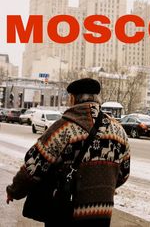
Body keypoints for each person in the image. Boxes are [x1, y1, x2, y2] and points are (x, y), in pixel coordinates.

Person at [6, 78, 130, 226]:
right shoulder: (118, 131)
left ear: (72, 98)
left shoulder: (63, 128)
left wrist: (15, 190)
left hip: (64, 211)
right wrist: (104, 186)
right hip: (102, 214)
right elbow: (123, 173)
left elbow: (34, 166)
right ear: (97, 99)